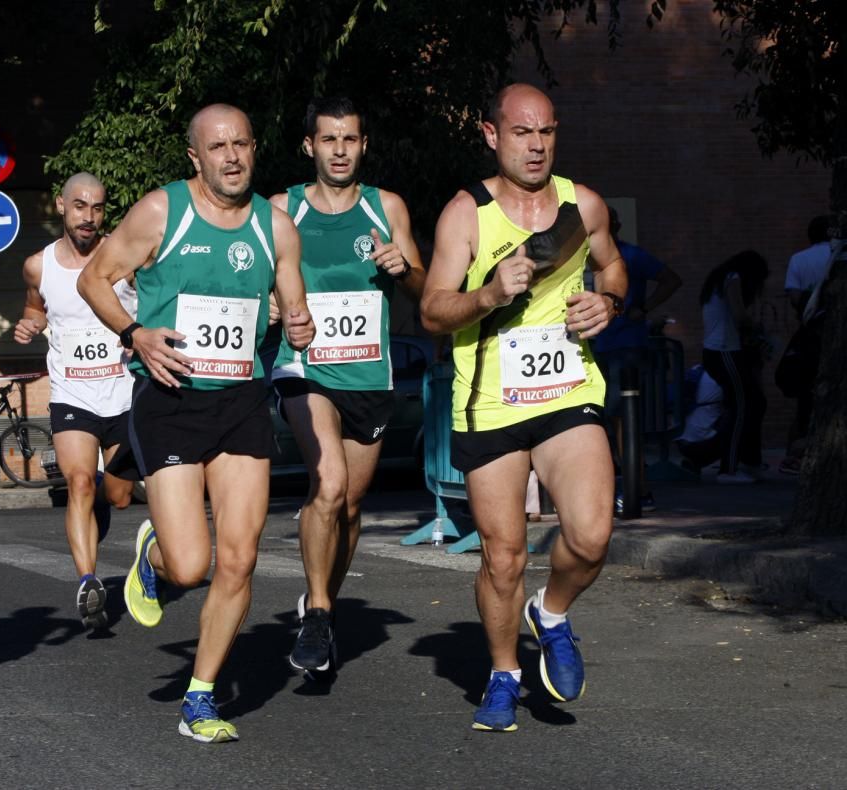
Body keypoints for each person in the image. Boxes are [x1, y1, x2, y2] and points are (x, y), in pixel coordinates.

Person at [78, 103, 314, 743]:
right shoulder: (162, 211)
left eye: (241, 144)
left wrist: (299, 322)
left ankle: (201, 697)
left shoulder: (276, 225)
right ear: (195, 157)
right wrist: (136, 333)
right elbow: (95, 278)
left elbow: (296, 309)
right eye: (218, 147)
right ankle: (156, 555)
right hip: (172, 397)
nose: (231, 157)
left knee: (239, 559)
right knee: (192, 566)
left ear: (255, 148)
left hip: (241, 399)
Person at [420, 84, 627, 733]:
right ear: (491, 134)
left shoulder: (580, 203)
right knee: (503, 556)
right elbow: (431, 309)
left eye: (546, 133)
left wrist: (609, 302)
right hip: (491, 402)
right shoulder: (466, 215)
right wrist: (486, 294)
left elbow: (614, 265)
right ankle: (505, 673)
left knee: (591, 535)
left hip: (567, 389)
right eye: (521, 133)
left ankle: (554, 612)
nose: (535, 145)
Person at [267, 96, 426, 677]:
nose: (340, 150)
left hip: (369, 373)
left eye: (350, 139)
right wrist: (271, 307)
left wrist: (402, 270)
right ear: (310, 145)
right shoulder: (282, 208)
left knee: (351, 507)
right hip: (305, 367)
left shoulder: (387, 208)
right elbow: (254, 280)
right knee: (328, 484)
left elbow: (425, 295)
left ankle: (319, 603)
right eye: (329, 140)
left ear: (363, 145)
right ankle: (319, 612)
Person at [13, 172, 136, 631]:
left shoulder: (124, 257)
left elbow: (155, 303)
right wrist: (28, 326)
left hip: (122, 393)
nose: (89, 216)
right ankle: (88, 582)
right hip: (72, 394)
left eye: (98, 208)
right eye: (80, 206)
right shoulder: (37, 266)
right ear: (61, 206)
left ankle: (104, 496)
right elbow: (34, 308)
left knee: (120, 496)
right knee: (79, 482)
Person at [590, 206, 682, 514]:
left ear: (614, 225)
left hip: (626, 345)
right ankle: (630, 488)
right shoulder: (587, 258)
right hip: (600, 346)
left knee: (622, 418)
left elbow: (671, 279)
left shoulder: (632, 255)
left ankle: (637, 490)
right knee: (605, 420)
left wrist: (644, 307)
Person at [699, 250, 770, 484]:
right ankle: (728, 469)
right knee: (742, 406)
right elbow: (739, 315)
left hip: (721, 352)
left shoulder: (720, 278)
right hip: (724, 352)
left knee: (753, 403)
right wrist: (756, 326)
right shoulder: (733, 278)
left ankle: (750, 462)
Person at [779, 216, 833, 475]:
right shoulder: (842, 255)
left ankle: (794, 455)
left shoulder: (799, 259)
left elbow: (795, 297)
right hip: (838, 334)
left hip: (810, 334)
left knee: (805, 400)